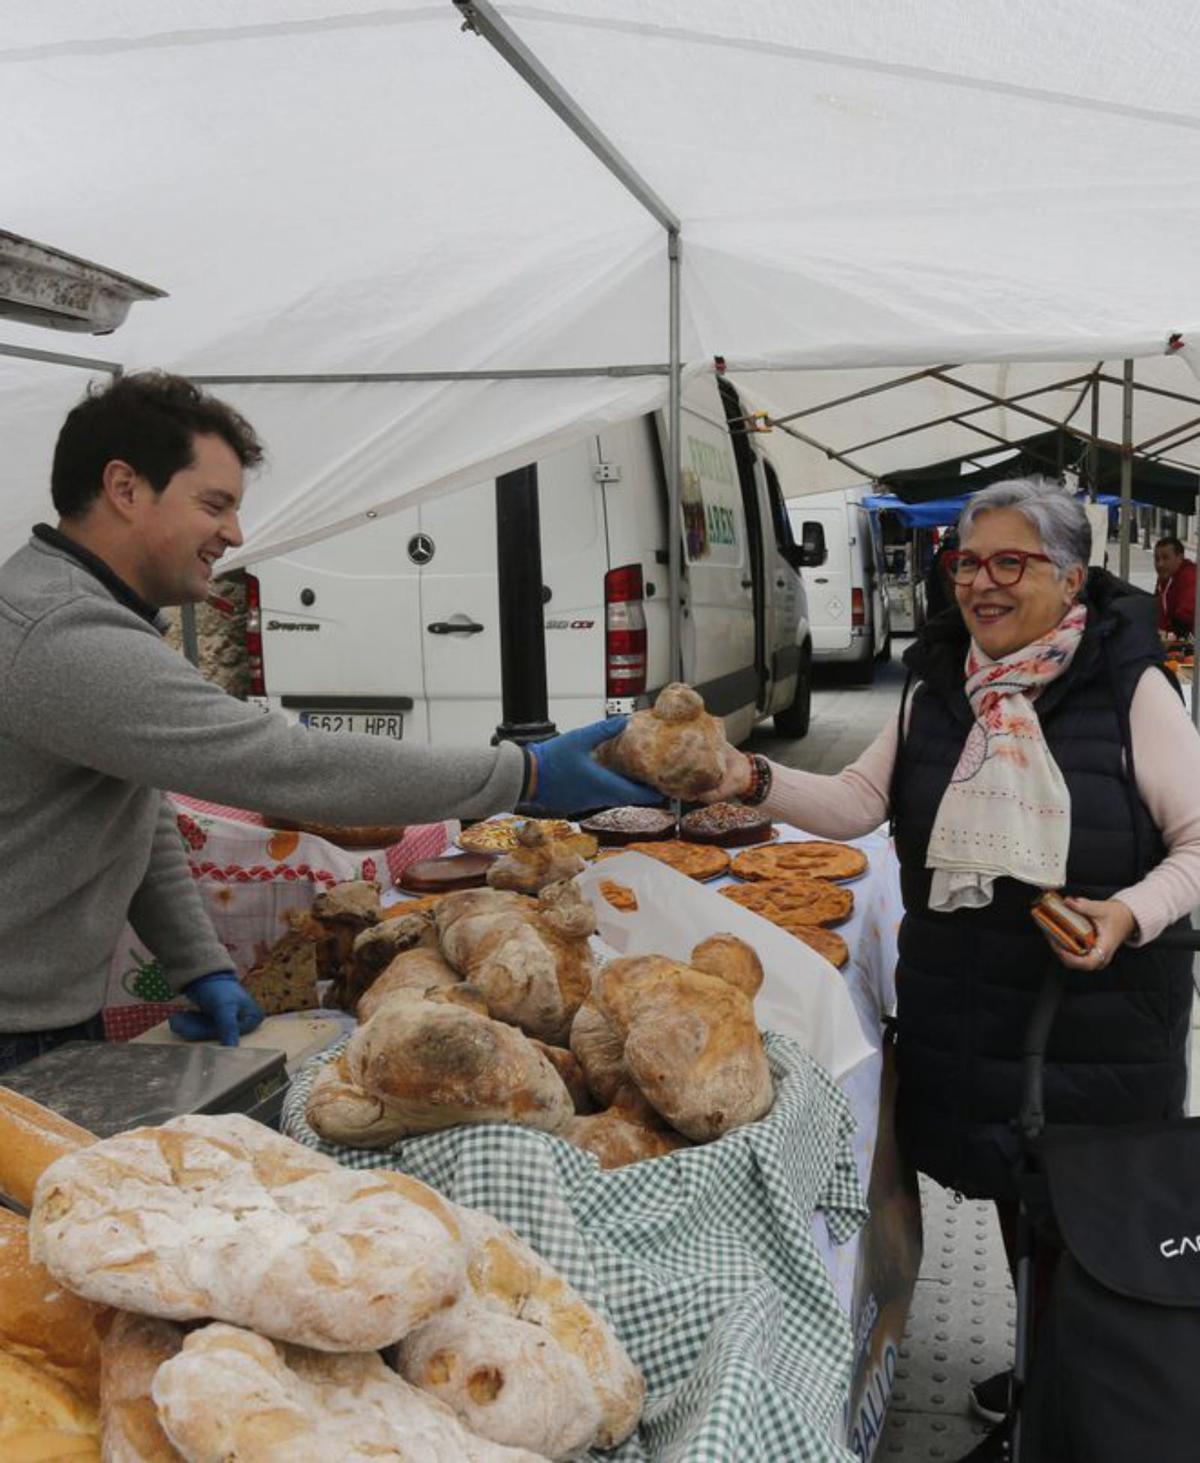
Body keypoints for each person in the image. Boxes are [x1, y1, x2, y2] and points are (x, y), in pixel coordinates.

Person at [704, 479, 1200, 1461]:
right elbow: (855, 800)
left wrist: (1126, 912)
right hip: (971, 1011)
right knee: (1026, 1211)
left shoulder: (1131, 682)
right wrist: (748, 777)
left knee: (1087, 1223)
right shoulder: (942, 679)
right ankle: (1046, 1380)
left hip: (1093, 1015)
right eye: (968, 561)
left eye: (1010, 562)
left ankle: (1084, 1411)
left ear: (1070, 575)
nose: (982, 582)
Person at [0, 372, 658, 1074]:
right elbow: (281, 762)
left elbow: (137, 807)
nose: (234, 533)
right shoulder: (62, 635)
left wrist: (201, 967)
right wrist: (522, 773)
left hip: (42, 1020)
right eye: (215, 505)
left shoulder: (77, 613)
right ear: (125, 488)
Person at [1153, 534, 1197, 639]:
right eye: (1157, 559)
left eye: (1165, 558)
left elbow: (1184, 619)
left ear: (1180, 558)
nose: (1160, 564)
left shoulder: (1190, 576)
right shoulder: (1164, 578)